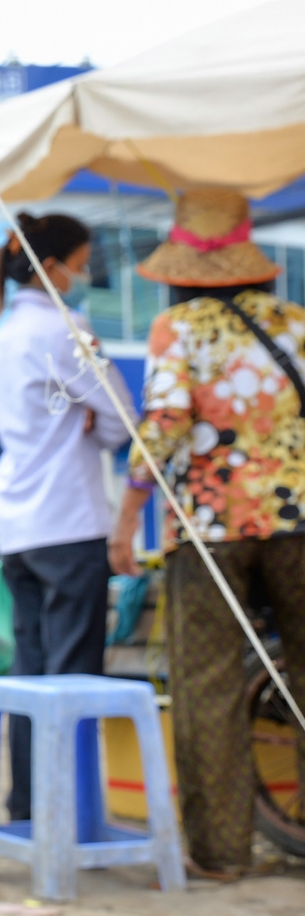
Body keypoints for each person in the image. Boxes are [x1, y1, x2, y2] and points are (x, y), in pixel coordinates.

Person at [109, 190, 305, 879]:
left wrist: (128, 516)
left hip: (212, 525)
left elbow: (162, 426)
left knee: (209, 684)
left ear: (182, 267)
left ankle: (220, 854)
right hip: (299, 521)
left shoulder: (178, 328)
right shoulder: (296, 323)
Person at [0, 213, 137, 821]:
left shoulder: (3, 336)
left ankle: (29, 804)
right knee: (72, 675)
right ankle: (66, 808)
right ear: (53, 269)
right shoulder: (64, 332)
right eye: (83, 259)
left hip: (20, 522)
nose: (87, 272)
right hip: (70, 520)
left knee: (32, 669)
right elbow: (123, 417)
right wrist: (96, 429)